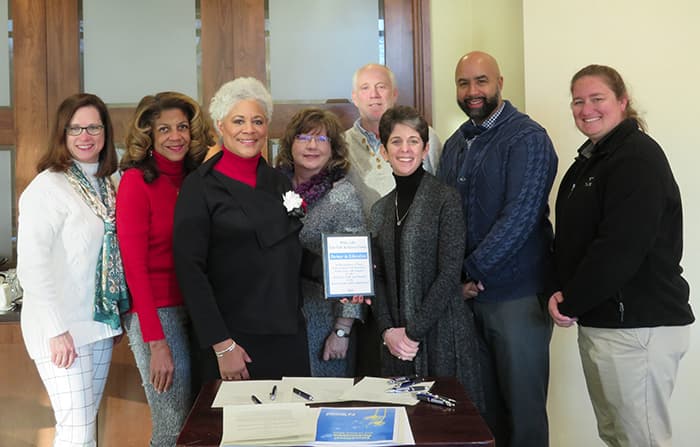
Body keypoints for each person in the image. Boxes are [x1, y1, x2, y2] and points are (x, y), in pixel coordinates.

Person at [549, 64, 694, 447]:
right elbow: (572, 241)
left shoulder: (637, 157)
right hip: (604, 322)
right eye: (578, 101)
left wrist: (572, 299)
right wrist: (561, 292)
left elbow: (621, 246)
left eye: (597, 99)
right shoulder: (590, 161)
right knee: (616, 436)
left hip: (639, 328)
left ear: (622, 101)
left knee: (641, 440)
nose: (586, 109)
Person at [437, 51, 557, 447]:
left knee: (523, 417)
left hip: (515, 298)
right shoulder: (455, 143)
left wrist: (469, 273)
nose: (472, 91)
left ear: (500, 82)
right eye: (463, 83)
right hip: (468, 303)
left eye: (481, 81)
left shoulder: (528, 137)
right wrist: (456, 281)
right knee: (480, 412)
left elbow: (520, 218)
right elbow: (446, 219)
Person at [173, 77, 311, 385]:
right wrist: (221, 345)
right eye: (239, 120)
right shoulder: (200, 187)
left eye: (257, 121)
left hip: (287, 332)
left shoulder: (278, 182)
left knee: (291, 429)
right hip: (235, 341)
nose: (249, 129)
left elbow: (288, 251)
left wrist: (341, 276)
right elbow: (190, 271)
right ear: (220, 126)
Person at [16, 93, 129, 446]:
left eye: (93, 127)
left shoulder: (107, 184)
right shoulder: (48, 187)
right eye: (75, 128)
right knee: (76, 432)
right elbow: (32, 267)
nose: (85, 136)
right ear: (62, 135)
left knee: (84, 427)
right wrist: (56, 329)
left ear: (105, 132)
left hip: (97, 324)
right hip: (61, 329)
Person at [368, 105, 483, 410]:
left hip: (442, 333)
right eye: (395, 141)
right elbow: (375, 275)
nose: (404, 149)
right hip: (394, 341)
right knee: (402, 426)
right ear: (383, 150)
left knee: (446, 427)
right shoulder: (379, 209)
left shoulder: (445, 199)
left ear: (425, 148)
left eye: (413, 141)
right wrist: (387, 331)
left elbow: (449, 272)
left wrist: (412, 332)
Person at [116, 92, 214, 446]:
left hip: (197, 308)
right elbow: (134, 268)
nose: (176, 136)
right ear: (150, 136)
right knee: (172, 425)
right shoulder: (135, 182)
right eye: (165, 129)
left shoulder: (196, 178)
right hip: (157, 313)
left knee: (200, 420)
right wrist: (156, 343)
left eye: (182, 127)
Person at [275, 108, 366, 377]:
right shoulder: (272, 187)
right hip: (279, 316)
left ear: (333, 149)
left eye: (322, 139)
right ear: (290, 144)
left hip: (323, 321)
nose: (312, 146)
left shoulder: (343, 197)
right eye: (304, 137)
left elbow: (354, 273)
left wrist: (342, 330)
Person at [345, 63, 443, 216]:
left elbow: (443, 190)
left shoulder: (426, 136)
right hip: (360, 237)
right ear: (354, 98)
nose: (374, 94)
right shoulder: (341, 144)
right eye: (365, 88)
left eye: (381, 87)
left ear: (394, 94)